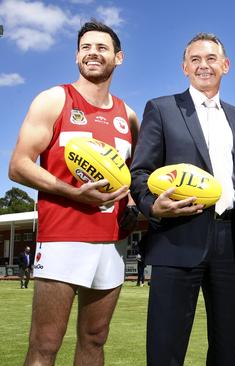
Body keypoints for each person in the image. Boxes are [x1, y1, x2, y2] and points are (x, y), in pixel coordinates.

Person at [8, 20, 138, 365]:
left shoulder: (128, 115)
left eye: (102, 48)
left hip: (112, 241)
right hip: (62, 237)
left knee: (95, 340)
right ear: (77, 56)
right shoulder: (54, 99)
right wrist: (74, 193)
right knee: (45, 344)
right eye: (85, 48)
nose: (92, 53)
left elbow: (134, 180)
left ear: (119, 58)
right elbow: (19, 165)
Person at [129, 32, 235, 365]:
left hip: (230, 243)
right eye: (196, 60)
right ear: (184, 67)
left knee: (226, 348)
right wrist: (151, 205)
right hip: (176, 236)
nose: (204, 65)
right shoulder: (161, 109)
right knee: (165, 347)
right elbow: (140, 172)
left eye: (212, 59)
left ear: (226, 66)